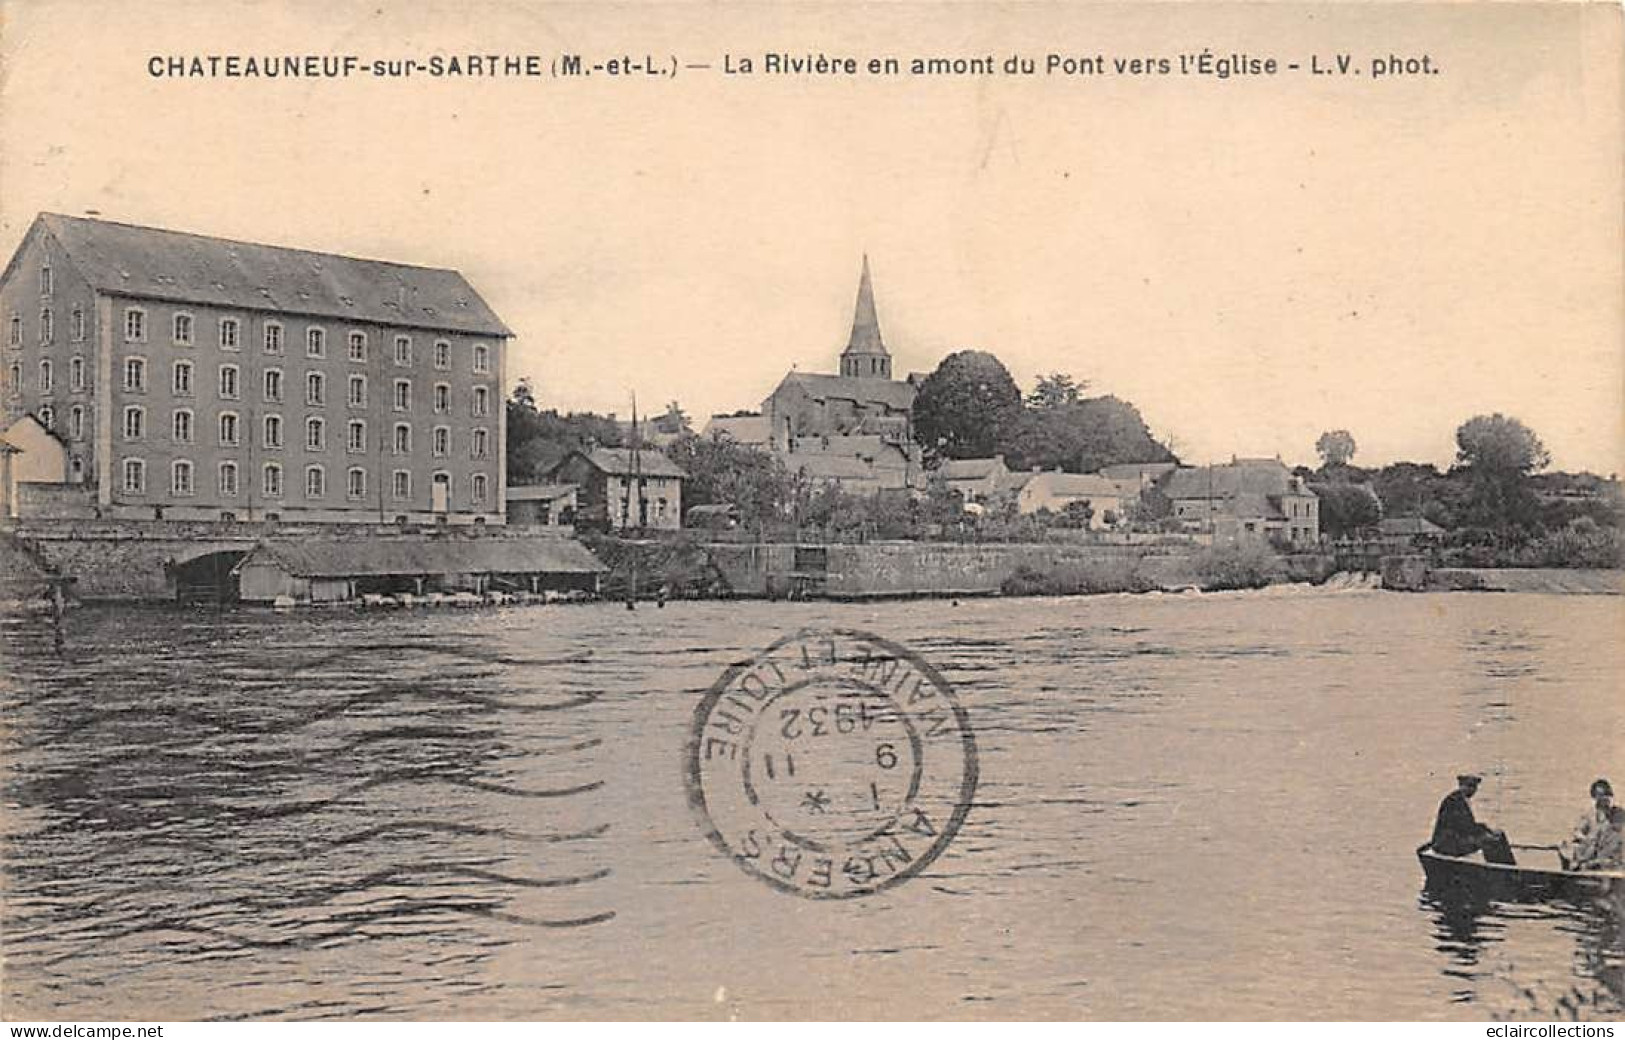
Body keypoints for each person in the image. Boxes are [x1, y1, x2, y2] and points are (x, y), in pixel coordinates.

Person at [1431, 773, 1515, 863]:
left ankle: (1508, 865)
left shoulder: (1461, 799)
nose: (1472, 790)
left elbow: (1468, 826)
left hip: (1455, 838)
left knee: (1499, 835)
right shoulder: (1454, 801)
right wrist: (1485, 832)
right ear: (1461, 786)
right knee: (1489, 841)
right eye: (1469, 786)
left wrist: (1487, 830)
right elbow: (1465, 827)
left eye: (1474, 787)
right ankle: (1499, 869)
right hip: (1447, 843)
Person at [1559, 778, 1614, 870]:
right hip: (1592, 852)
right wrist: (1586, 839)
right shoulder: (1589, 815)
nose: (1605, 799)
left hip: (1609, 853)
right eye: (1600, 796)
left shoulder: (1618, 815)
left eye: (1607, 795)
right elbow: (1577, 832)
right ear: (1595, 797)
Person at [1571, 806, 1623, 871]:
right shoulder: (1601, 831)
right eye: (1619, 821)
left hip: (1613, 867)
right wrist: (1582, 861)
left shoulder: (1618, 836)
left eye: (1622, 821)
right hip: (1601, 867)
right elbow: (1592, 846)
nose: (1621, 824)